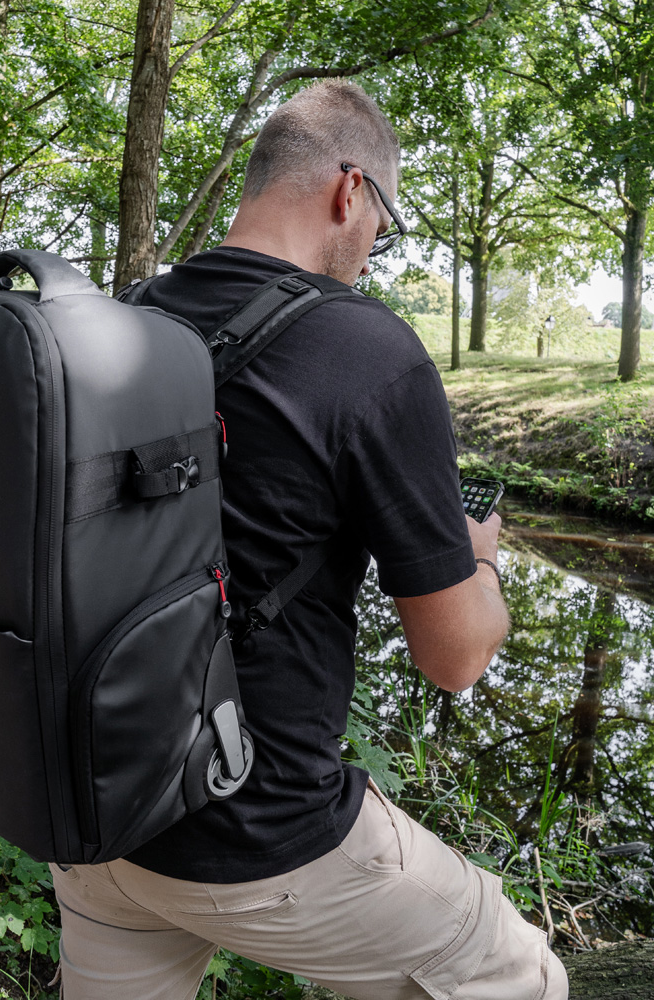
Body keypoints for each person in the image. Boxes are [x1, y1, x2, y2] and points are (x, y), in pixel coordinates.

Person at [49, 80, 569, 1000]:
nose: (372, 249)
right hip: (262, 832)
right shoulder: (369, 351)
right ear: (349, 190)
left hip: (96, 817)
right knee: (522, 976)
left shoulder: (127, 315)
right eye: (384, 226)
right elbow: (454, 658)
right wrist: (480, 556)